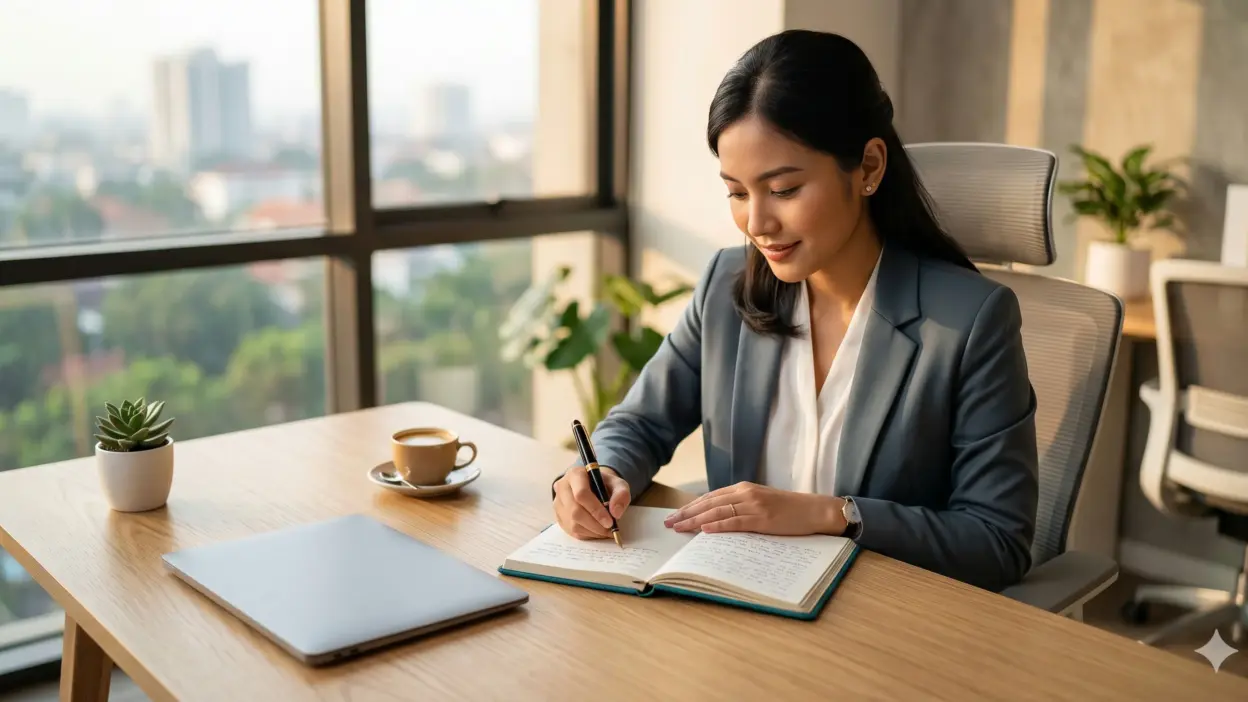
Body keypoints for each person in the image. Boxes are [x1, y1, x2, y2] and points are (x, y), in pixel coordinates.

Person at [551, 30, 1039, 592]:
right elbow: (640, 423)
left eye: (782, 189)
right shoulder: (725, 288)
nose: (757, 223)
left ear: (869, 167)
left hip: (885, 629)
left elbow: (997, 542)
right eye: (737, 192)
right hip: (739, 611)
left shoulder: (971, 323)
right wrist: (600, 473)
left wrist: (833, 514)